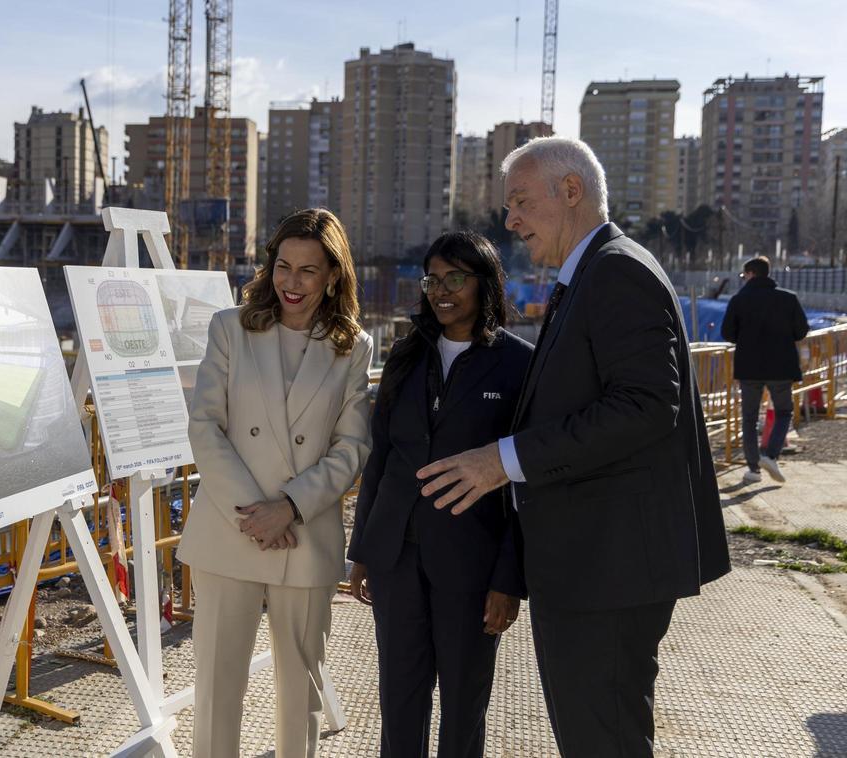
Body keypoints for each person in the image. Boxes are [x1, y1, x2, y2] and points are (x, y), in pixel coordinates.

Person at [415, 137, 731, 757]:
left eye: (520, 202)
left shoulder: (616, 272)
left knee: (602, 739)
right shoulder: (591, 273)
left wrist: (501, 460)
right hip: (593, 566)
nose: (510, 221)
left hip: (608, 570)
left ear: (570, 191)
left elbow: (644, 406)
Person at [178, 207, 373, 758]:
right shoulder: (229, 329)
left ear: (333, 274)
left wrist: (288, 506)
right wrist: (256, 512)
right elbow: (205, 428)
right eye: (283, 266)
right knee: (217, 687)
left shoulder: (352, 346)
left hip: (303, 534)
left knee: (301, 693)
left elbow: (352, 445)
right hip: (230, 528)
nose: (292, 282)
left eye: (309, 270)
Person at [347, 231, 531, 758]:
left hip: (473, 568)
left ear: (484, 283)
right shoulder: (407, 355)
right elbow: (380, 458)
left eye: (456, 278)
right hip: (397, 558)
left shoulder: (519, 365)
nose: (442, 291)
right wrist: (364, 552)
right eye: (433, 279)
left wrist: (508, 580)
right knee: (399, 698)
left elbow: (526, 483)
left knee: (464, 704)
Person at [721, 255, 809, 483]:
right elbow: (801, 331)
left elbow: (728, 334)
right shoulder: (788, 299)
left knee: (749, 418)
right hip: (781, 366)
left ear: (751, 274)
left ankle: (753, 469)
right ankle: (770, 455)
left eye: (743, 275)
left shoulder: (739, 300)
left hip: (749, 367)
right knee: (783, 412)